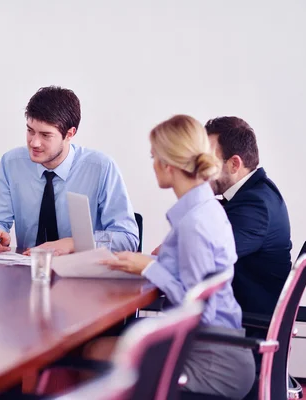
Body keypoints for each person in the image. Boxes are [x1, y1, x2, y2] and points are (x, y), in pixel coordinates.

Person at [97, 115, 255, 398]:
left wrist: (149, 268)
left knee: (95, 354)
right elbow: (193, 275)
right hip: (217, 346)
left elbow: (195, 307)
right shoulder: (205, 209)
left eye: (153, 157)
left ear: (167, 165)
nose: (153, 164)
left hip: (211, 359)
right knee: (108, 346)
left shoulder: (195, 223)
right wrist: (148, 265)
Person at [0, 86, 138, 254]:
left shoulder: (101, 168)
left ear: (70, 134)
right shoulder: (11, 163)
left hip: (82, 274)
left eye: (45, 135)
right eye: (30, 131)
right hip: (28, 270)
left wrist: (74, 243)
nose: (34, 143)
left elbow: (128, 238)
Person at [205, 116, 292, 317]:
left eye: (207, 161)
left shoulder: (255, 205)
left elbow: (202, 261)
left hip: (241, 332)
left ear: (234, 164)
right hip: (229, 321)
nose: (200, 170)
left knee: (132, 337)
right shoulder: (256, 193)